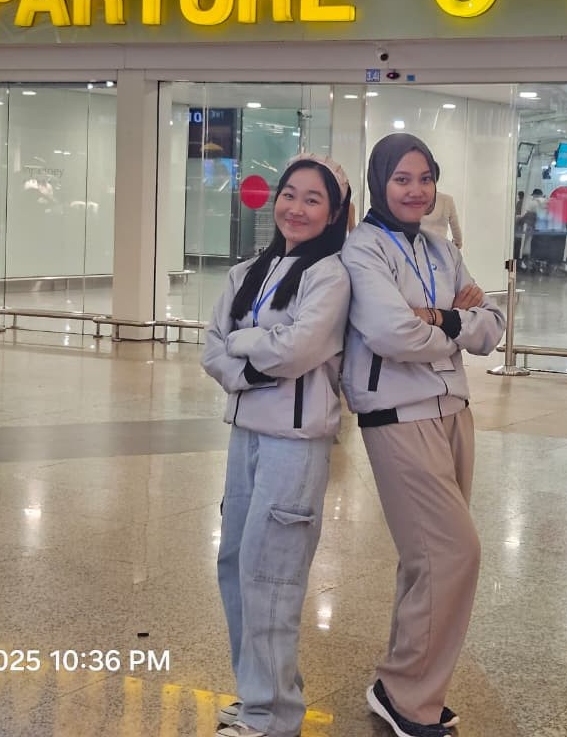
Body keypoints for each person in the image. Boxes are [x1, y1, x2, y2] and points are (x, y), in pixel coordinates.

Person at [341, 133, 505, 737]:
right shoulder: (363, 250)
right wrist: (458, 321)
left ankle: (398, 682)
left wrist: (439, 317)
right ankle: (410, 698)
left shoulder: (438, 248)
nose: (416, 191)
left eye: (425, 178)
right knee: (453, 552)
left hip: (453, 410)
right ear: (379, 181)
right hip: (397, 415)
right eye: (402, 179)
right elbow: (391, 334)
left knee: (425, 560)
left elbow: (493, 327)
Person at [201, 154, 353, 737]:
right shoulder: (246, 273)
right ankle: (258, 695)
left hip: (295, 443)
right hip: (245, 434)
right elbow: (212, 349)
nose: (296, 208)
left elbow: (298, 349)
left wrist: (245, 345)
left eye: (313, 199)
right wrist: (251, 360)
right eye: (289, 194)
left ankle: (272, 716)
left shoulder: (330, 276)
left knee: (272, 576)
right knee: (236, 564)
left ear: (334, 213)